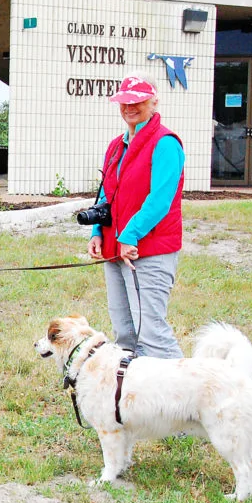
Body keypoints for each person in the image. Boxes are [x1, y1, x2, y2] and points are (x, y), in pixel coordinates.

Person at [86, 73, 185, 359]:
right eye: (124, 102)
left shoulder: (165, 143)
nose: (130, 108)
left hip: (149, 250)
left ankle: (185, 399)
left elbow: (160, 201)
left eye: (138, 101)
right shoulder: (116, 145)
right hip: (115, 248)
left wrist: (129, 234)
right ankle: (138, 397)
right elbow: (107, 193)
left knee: (152, 333)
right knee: (125, 333)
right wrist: (97, 231)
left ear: (154, 102)